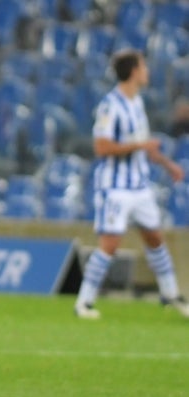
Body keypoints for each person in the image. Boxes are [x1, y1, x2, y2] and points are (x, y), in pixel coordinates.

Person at [74, 49, 189, 319]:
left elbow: (142, 144)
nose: (147, 72)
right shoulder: (110, 105)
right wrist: (140, 145)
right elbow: (101, 147)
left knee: (155, 237)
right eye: (144, 67)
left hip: (139, 185)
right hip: (115, 188)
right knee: (110, 244)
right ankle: (84, 302)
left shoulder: (136, 102)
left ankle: (171, 294)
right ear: (134, 71)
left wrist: (166, 164)